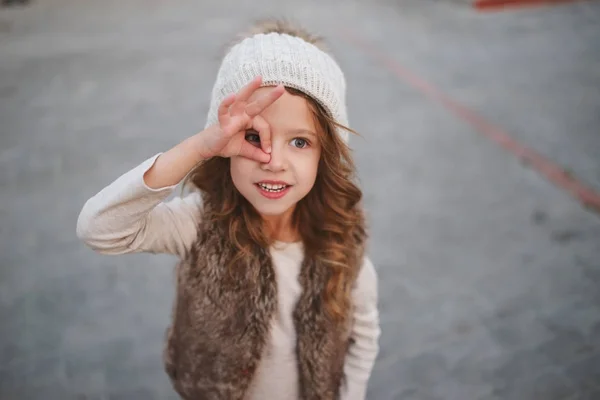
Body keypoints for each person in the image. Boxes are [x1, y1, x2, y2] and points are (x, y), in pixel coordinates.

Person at [76, 18, 380, 400]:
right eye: (253, 137)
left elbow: (363, 336)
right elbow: (98, 229)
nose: (273, 160)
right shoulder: (200, 222)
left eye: (300, 142)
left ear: (327, 156)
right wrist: (198, 147)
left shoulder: (342, 249)